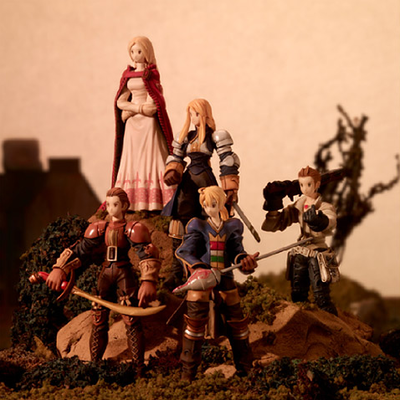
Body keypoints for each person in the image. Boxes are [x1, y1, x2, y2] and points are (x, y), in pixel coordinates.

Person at [45, 188, 161, 370]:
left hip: (124, 273)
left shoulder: (133, 228)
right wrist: (60, 268)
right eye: (108, 204)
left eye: (115, 204)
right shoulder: (99, 228)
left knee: (131, 318)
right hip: (105, 274)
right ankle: (95, 365)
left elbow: (146, 253)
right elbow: (81, 250)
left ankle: (138, 367)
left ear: (124, 206)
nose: (110, 208)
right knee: (98, 318)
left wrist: (148, 281)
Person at [175, 186, 258, 381]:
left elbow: (237, 250)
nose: (210, 209)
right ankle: (188, 373)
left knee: (238, 324)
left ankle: (245, 369)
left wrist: (244, 260)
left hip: (226, 279)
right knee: (194, 325)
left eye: (213, 204)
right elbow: (184, 251)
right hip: (203, 280)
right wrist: (198, 268)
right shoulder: (198, 225)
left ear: (221, 204)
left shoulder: (232, 226)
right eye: (206, 205)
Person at [162, 98, 240, 289]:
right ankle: (177, 271)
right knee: (178, 222)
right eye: (190, 114)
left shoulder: (215, 136)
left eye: (196, 113)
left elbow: (228, 160)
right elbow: (176, 156)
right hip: (188, 182)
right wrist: (172, 171)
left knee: (210, 221)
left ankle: (210, 268)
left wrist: (230, 188)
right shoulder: (186, 137)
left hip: (206, 181)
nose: (193, 117)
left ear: (204, 114)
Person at [261, 166, 338, 315]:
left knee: (321, 297)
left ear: (317, 184)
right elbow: (279, 222)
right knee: (298, 295)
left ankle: (332, 324)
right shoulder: (299, 205)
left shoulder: (324, 206)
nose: (304, 188)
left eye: (308, 184)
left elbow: (331, 219)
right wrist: (273, 204)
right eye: (301, 184)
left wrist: (320, 221)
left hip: (318, 252)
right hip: (301, 251)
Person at [111, 36, 175, 211]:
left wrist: (132, 110)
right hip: (133, 124)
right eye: (132, 51)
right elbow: (120, 101)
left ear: (146, 52)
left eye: (139, 51)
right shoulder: (128, 75)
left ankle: (156, 201)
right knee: (132, 158)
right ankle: (131, 200)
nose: (135, 55)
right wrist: (136, 108)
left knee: (151, 156)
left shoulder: (151, 74)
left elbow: (152, 107)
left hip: (147, 124)